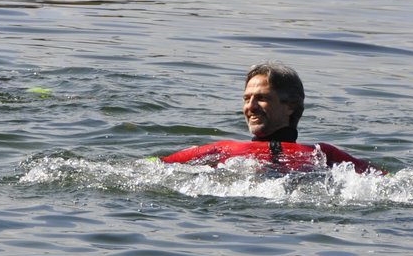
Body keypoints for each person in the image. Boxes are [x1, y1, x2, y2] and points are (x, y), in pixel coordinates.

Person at [159, 62, 377, 173]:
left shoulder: (324, 153)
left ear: (290, 107)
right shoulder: (219, 150)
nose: (250, 107)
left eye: (262, 98)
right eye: (246, 98)